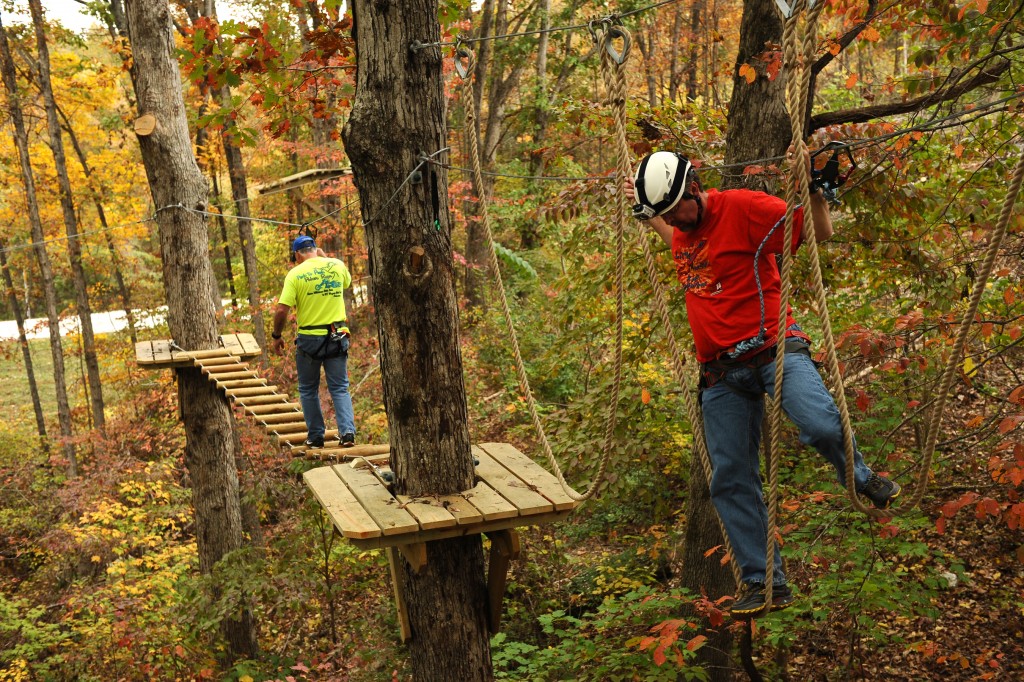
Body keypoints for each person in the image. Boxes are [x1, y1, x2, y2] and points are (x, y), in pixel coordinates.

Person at [628, 150, 900, 617]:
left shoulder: (745, 208)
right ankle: (764, 582)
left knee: (819, 424)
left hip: (773, 349)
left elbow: (817, 232)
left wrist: (817, 194)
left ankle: (862, 477)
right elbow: (666, 224)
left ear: (695, 187)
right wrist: (637, 193)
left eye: (676, 209)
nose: (674, 221)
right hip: (719, 374)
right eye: (665, 215)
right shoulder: (678, 226)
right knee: (730, 480)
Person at [271, 235, 356, 449]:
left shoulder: (295, 274)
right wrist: (324, 257)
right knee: (340, 388)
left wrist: (276, 335)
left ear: (297, 254)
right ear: (316, 249)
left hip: (310, 340)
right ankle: (347, 433)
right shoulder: (337, 265)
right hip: (337, 336)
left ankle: (317, 437)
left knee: (308, 389)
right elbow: (346, 281)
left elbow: (282, 309)